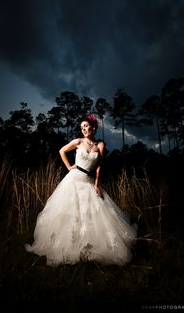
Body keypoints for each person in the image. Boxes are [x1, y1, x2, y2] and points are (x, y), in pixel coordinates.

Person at [25, 114, 137, 266]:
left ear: (93, 127)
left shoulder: (101, 146)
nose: (83, 129)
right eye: (81, 127)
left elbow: (98, 167)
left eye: (86, 126)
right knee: (71, 212)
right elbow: (61, 151)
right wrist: (69, 167)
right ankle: (69, 247)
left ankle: (89, 248)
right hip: (74, 179)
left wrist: (97, 184)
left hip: (89, 181)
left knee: (93, 214)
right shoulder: (78, 142)